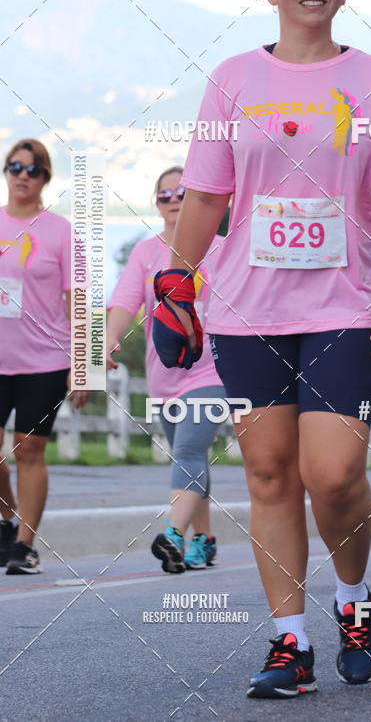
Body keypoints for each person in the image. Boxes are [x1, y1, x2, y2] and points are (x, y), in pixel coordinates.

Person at [152, 0, 371, 698]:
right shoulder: (233, 79)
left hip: (345, 305)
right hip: (247, 310)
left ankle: (353, 604)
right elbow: (207, 195)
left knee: (333, 475)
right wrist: (176, 283)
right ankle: (290, 642)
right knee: (269, 473)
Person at [107, 166, 225, 572]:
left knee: (189, 449)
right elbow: (125, 300)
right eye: (165, 195)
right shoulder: (146, 253)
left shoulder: (223, 248)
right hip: (165, 377)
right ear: (156, 204)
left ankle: (173, 534)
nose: (174, 200)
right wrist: (109, 337)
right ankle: (204, 540)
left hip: (213, 373)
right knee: (190, 456)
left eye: (183, 193)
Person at [0, 138, 88, 573]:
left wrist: (84, 367)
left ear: (45, 178)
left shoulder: (61, 231)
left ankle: (24, 545)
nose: (23, 175)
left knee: (28, 448)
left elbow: (79, 300)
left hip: (45, 360)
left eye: (33, 169)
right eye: (15, 167)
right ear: (6, 172)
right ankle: (8, 519)